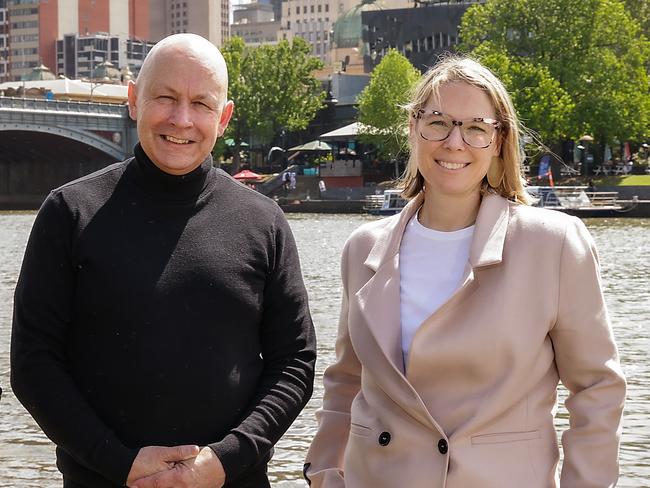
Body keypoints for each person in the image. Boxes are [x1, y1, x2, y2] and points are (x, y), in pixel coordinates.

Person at [11, 33, 316, 488]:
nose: (182, 119)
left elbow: (294, 362)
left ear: (224, 117)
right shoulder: (69, 213)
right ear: (133, 99)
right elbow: (34, 364)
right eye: (166, 98)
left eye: (201, 104)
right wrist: (120, 463)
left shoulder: (263, 220)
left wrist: (226, 460)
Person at [304, 56, 625, 487]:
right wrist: (324, 473)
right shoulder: (363, 248)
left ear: (498, 142)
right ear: (413, 129)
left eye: (476, 127)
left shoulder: (553, 243)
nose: (455, 142)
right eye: (437, 122)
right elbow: (345, 379)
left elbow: (597, 388)